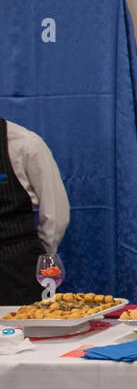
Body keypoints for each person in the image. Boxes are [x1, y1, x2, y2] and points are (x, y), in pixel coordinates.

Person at [0, 119, 69, 305]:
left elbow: (56, 213)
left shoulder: (25, 144)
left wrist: (43, 257)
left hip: (19, 269)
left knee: (29, 332)